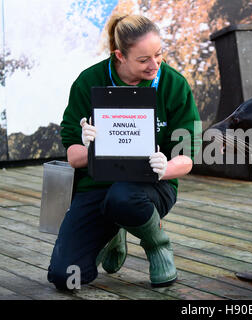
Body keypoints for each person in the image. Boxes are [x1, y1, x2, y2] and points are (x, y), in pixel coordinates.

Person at [47, 14, 201, 290]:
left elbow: (187, 158)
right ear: (120, 55)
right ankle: (113, 232)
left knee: (123, 198)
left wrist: (166, 168)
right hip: (96, 186)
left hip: (149, 188)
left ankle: (157, 245)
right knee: (65, 277)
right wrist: (91, 146)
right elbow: (73, 157)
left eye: (158, 55)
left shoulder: (173, 84)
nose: (154, 65)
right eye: (143, 60)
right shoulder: (89, 81)